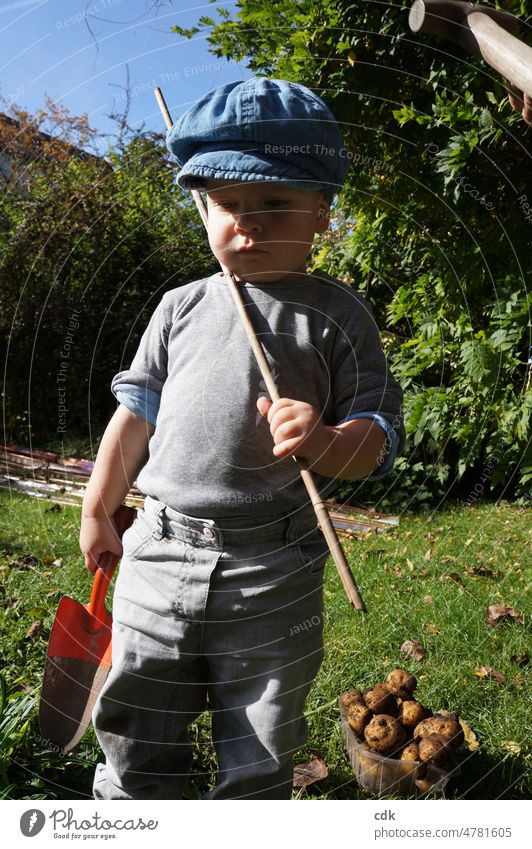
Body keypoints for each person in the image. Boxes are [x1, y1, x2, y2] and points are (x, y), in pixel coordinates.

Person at [80, 77, 405, 800]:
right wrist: (99, 504)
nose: (246, 224)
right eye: (228, 205)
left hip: (273, 566)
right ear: (204, 206)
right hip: (158, 549)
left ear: (322, 211)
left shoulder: (337, 316)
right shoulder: (178, 306)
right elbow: (135, 415)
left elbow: (377, 437)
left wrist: (324, 439)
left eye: (275, 205)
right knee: (136, 716)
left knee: (261, 736)